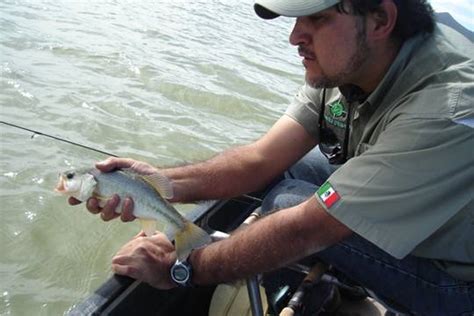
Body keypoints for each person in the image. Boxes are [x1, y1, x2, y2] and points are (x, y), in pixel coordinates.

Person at [70, 0, 474, 314]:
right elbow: (260, 159)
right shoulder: (351, 63)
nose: (294, 37)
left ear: (380, 20)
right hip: (413, 216)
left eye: (315, 18)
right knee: (292, 168)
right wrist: (162, 185)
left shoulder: (449, 106)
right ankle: (329, 285)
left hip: (454, 283)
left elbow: (305, 228)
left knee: (287, 203)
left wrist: (185, 269)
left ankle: (318, 288)